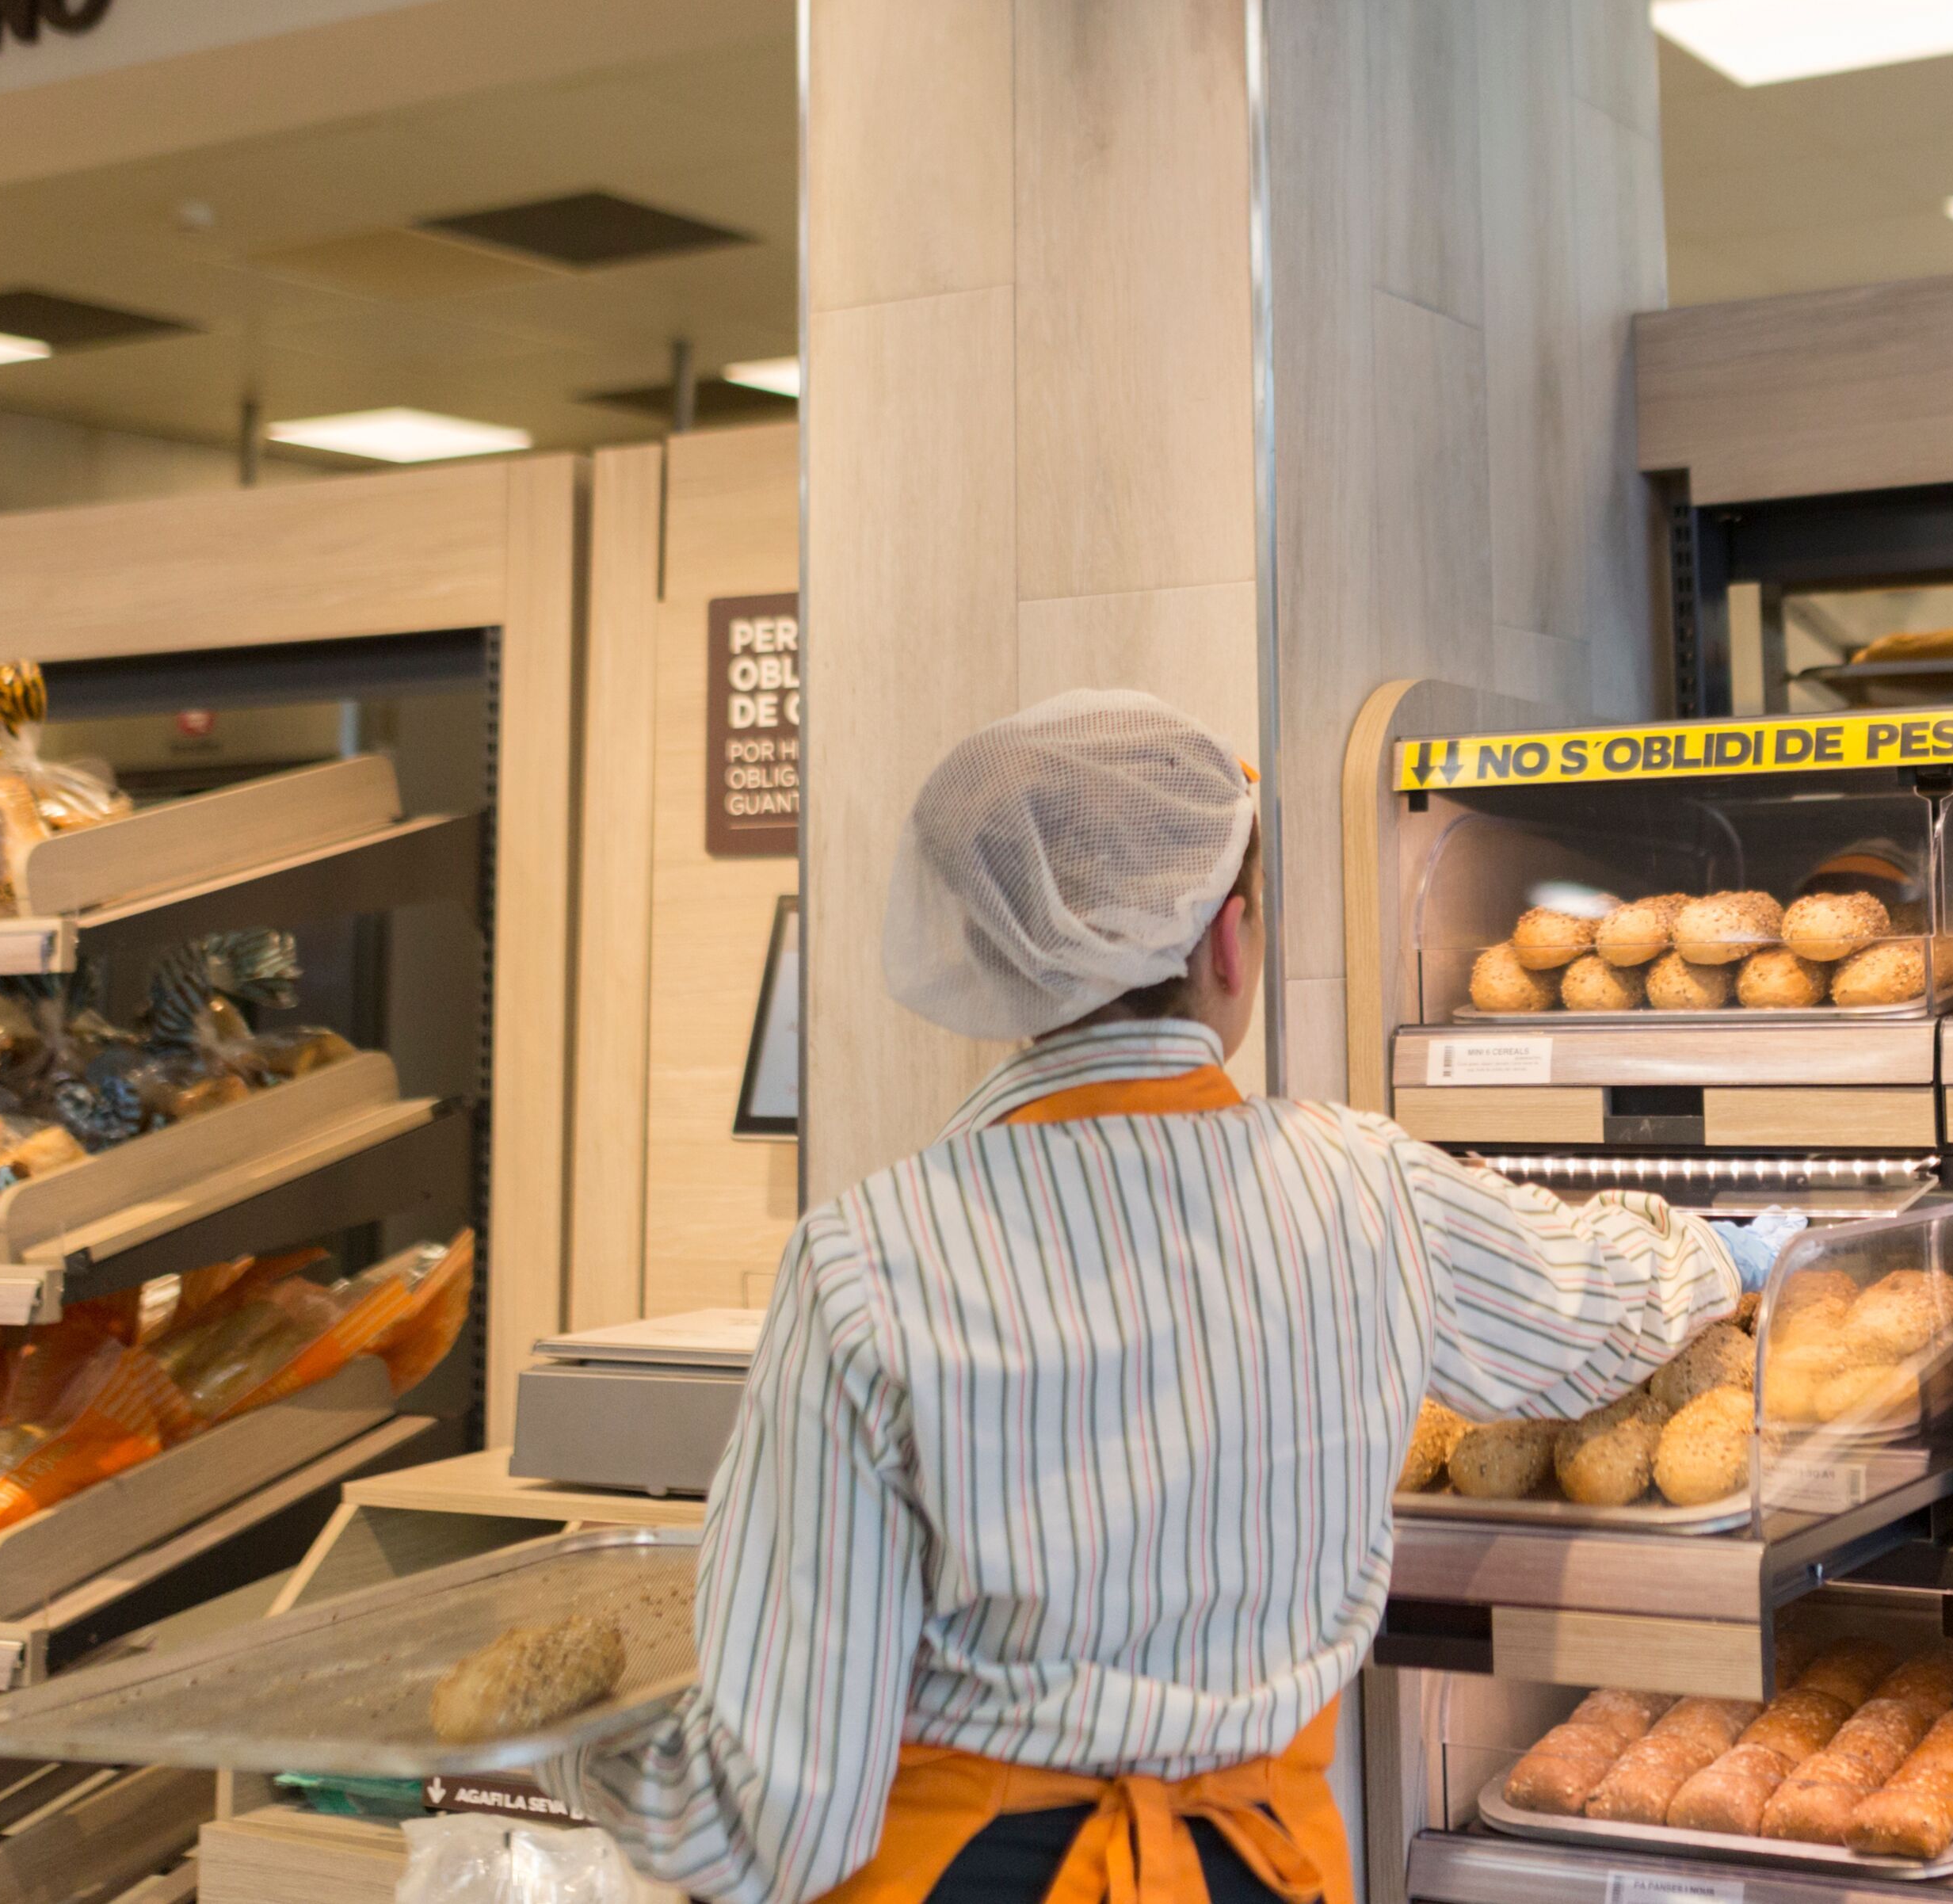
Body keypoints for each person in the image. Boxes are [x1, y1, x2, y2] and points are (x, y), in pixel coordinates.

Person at [564, 691, 1798, 1904]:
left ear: (996, 962)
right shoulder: (1363, 1190)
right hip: (1261, 1870)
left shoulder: (864, 1260)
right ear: (1227, 940)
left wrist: (572, 1743)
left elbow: (777, 1813)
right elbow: (1599, 1310)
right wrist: (1740, 1255)